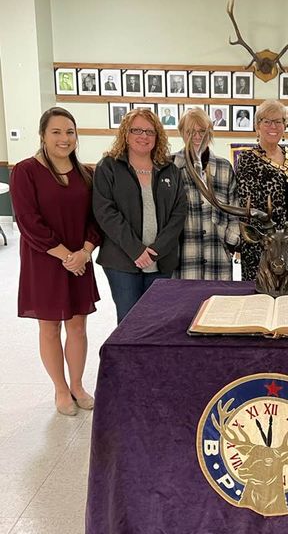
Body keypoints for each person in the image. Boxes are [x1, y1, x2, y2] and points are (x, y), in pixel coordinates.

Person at [10, 107, 100, 416]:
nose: (64, 138)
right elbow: (28, 221)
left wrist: (84, 253)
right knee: (49, 327)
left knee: (78, 326)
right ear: (43, 135)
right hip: (46, 261)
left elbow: (95, 219)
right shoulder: (25, 171)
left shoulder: (86, 173)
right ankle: (60, 390)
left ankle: (77, 385)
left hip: (80, 260)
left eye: (70, 132)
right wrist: (66, 257)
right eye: (57, 132)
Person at [93, 109, 187, 323]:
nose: (143, 136)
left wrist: (156, 250)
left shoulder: (169, 169)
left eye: (150, 131)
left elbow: (179, 213)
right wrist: (136, 250)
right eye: (137, 130)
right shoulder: (108, 167)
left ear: (157, 137)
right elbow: (105, 212)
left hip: (161, 260)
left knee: (156, 321)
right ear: (126, 134)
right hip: (122, 261)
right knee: (129, 321)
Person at [236, 99, 288, 281]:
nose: (272, 126)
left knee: (287, 287)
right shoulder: (247, 158)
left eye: (278, 121)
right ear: (257, 126)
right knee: (260, 290)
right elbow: (246, 204)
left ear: (285, 125)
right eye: (266, 121)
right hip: (262, 242)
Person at [173, 108, 240, 280]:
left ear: (210, 132)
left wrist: (230, 242)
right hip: (183, 255)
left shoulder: (224, 167)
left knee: (218, 303)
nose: (197, 137)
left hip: (217, 255)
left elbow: (234, 209)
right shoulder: (171, 166)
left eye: (202, 131)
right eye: (190, 131)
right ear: (182, 133)